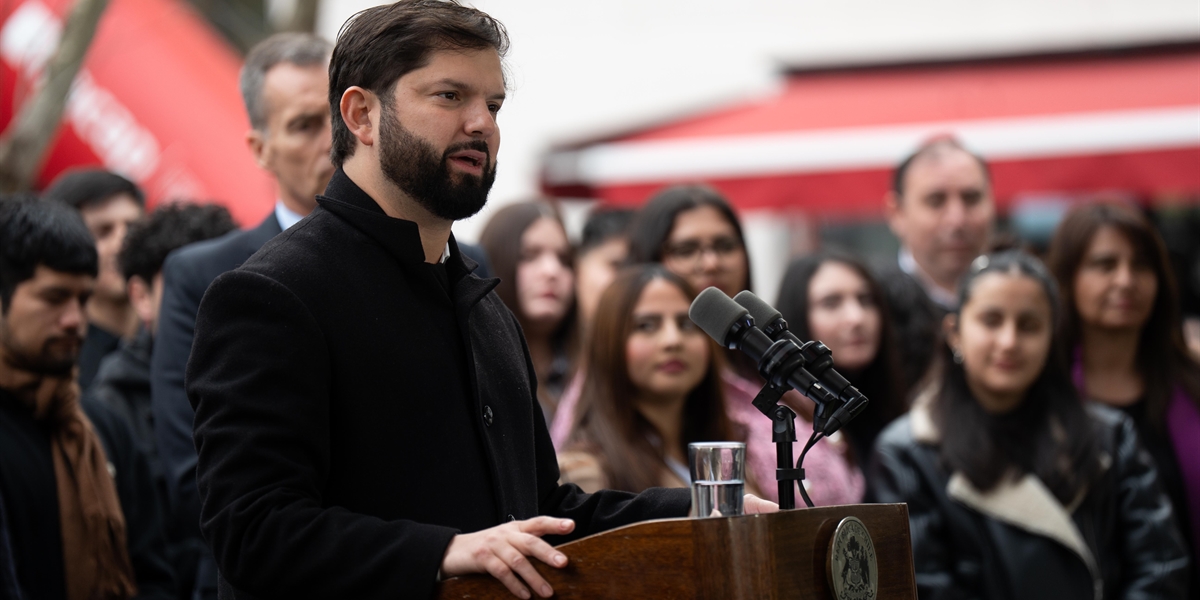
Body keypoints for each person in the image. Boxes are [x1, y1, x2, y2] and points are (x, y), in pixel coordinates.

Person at [185, 3, 775, 599]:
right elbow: (251, 530)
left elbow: (542, 512)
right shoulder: (271, 294)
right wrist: (442, 551)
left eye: (493, 105)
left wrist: (693, 511)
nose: (481, 125)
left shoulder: (481, 302)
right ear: (362, 114)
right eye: (449, 96)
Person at [868, 250, 1189, 599]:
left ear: (1052, 336)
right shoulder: (908, 453)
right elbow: (922, 586)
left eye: (1029, 325)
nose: (1009, 342)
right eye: (991, 321)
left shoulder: (1109, 437)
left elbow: (1160, 569)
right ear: (955, 332)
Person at [146, 32, 333, 600]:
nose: (333, 141)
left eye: (343, 115)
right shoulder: (204, 276)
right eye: (305, 125)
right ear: (260, 148)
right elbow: (195, 473)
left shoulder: (451, 261)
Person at [0, 197, 175, 599]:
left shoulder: (103, 428)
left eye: (82, 300)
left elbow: (153, 573)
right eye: (53, 298)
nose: (74, 320)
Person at [1047, 201, 1200, 595]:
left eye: (1142, 265)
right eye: (1105, 264)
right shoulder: (1042, 397)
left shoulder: (1191, 384)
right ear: (1068, 277)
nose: (1126, 280)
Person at [88, 202, 235, 598]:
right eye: (187, 288)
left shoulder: (253, 381)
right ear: (141, 296)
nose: (208, 304)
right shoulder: (110, 413)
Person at [558, 265, 748, 493]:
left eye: (687, 325)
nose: (673, 340)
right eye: (646, 326)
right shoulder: (583, 474)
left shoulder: (734, 454)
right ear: (608, 342)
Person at [878, 136, 996, 389]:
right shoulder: (871, 308)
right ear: (897, 213)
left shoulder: (1020, 296)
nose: (957, 219)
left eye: (971, 198)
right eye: (936, 201)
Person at [776, 251, 908, 465]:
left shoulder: (901, 407)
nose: (856, 318)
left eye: (866, 300)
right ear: (797, 315)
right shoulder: (782, 421)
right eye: (831, 303)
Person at [43, 169, 146, 390]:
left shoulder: (176, 331)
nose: (122, 244)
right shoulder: (59, 363)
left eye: (133, 229)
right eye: (103, 232)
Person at [479, 201, 576, 420]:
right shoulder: (473, 369)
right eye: (530, 255)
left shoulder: (594, 370)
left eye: (564, 259)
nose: (552, 271)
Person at [547, 206, 633, 448]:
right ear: (577, 265)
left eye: (638, 267)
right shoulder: (542, 359)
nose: (629, 280)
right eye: (617, 265)